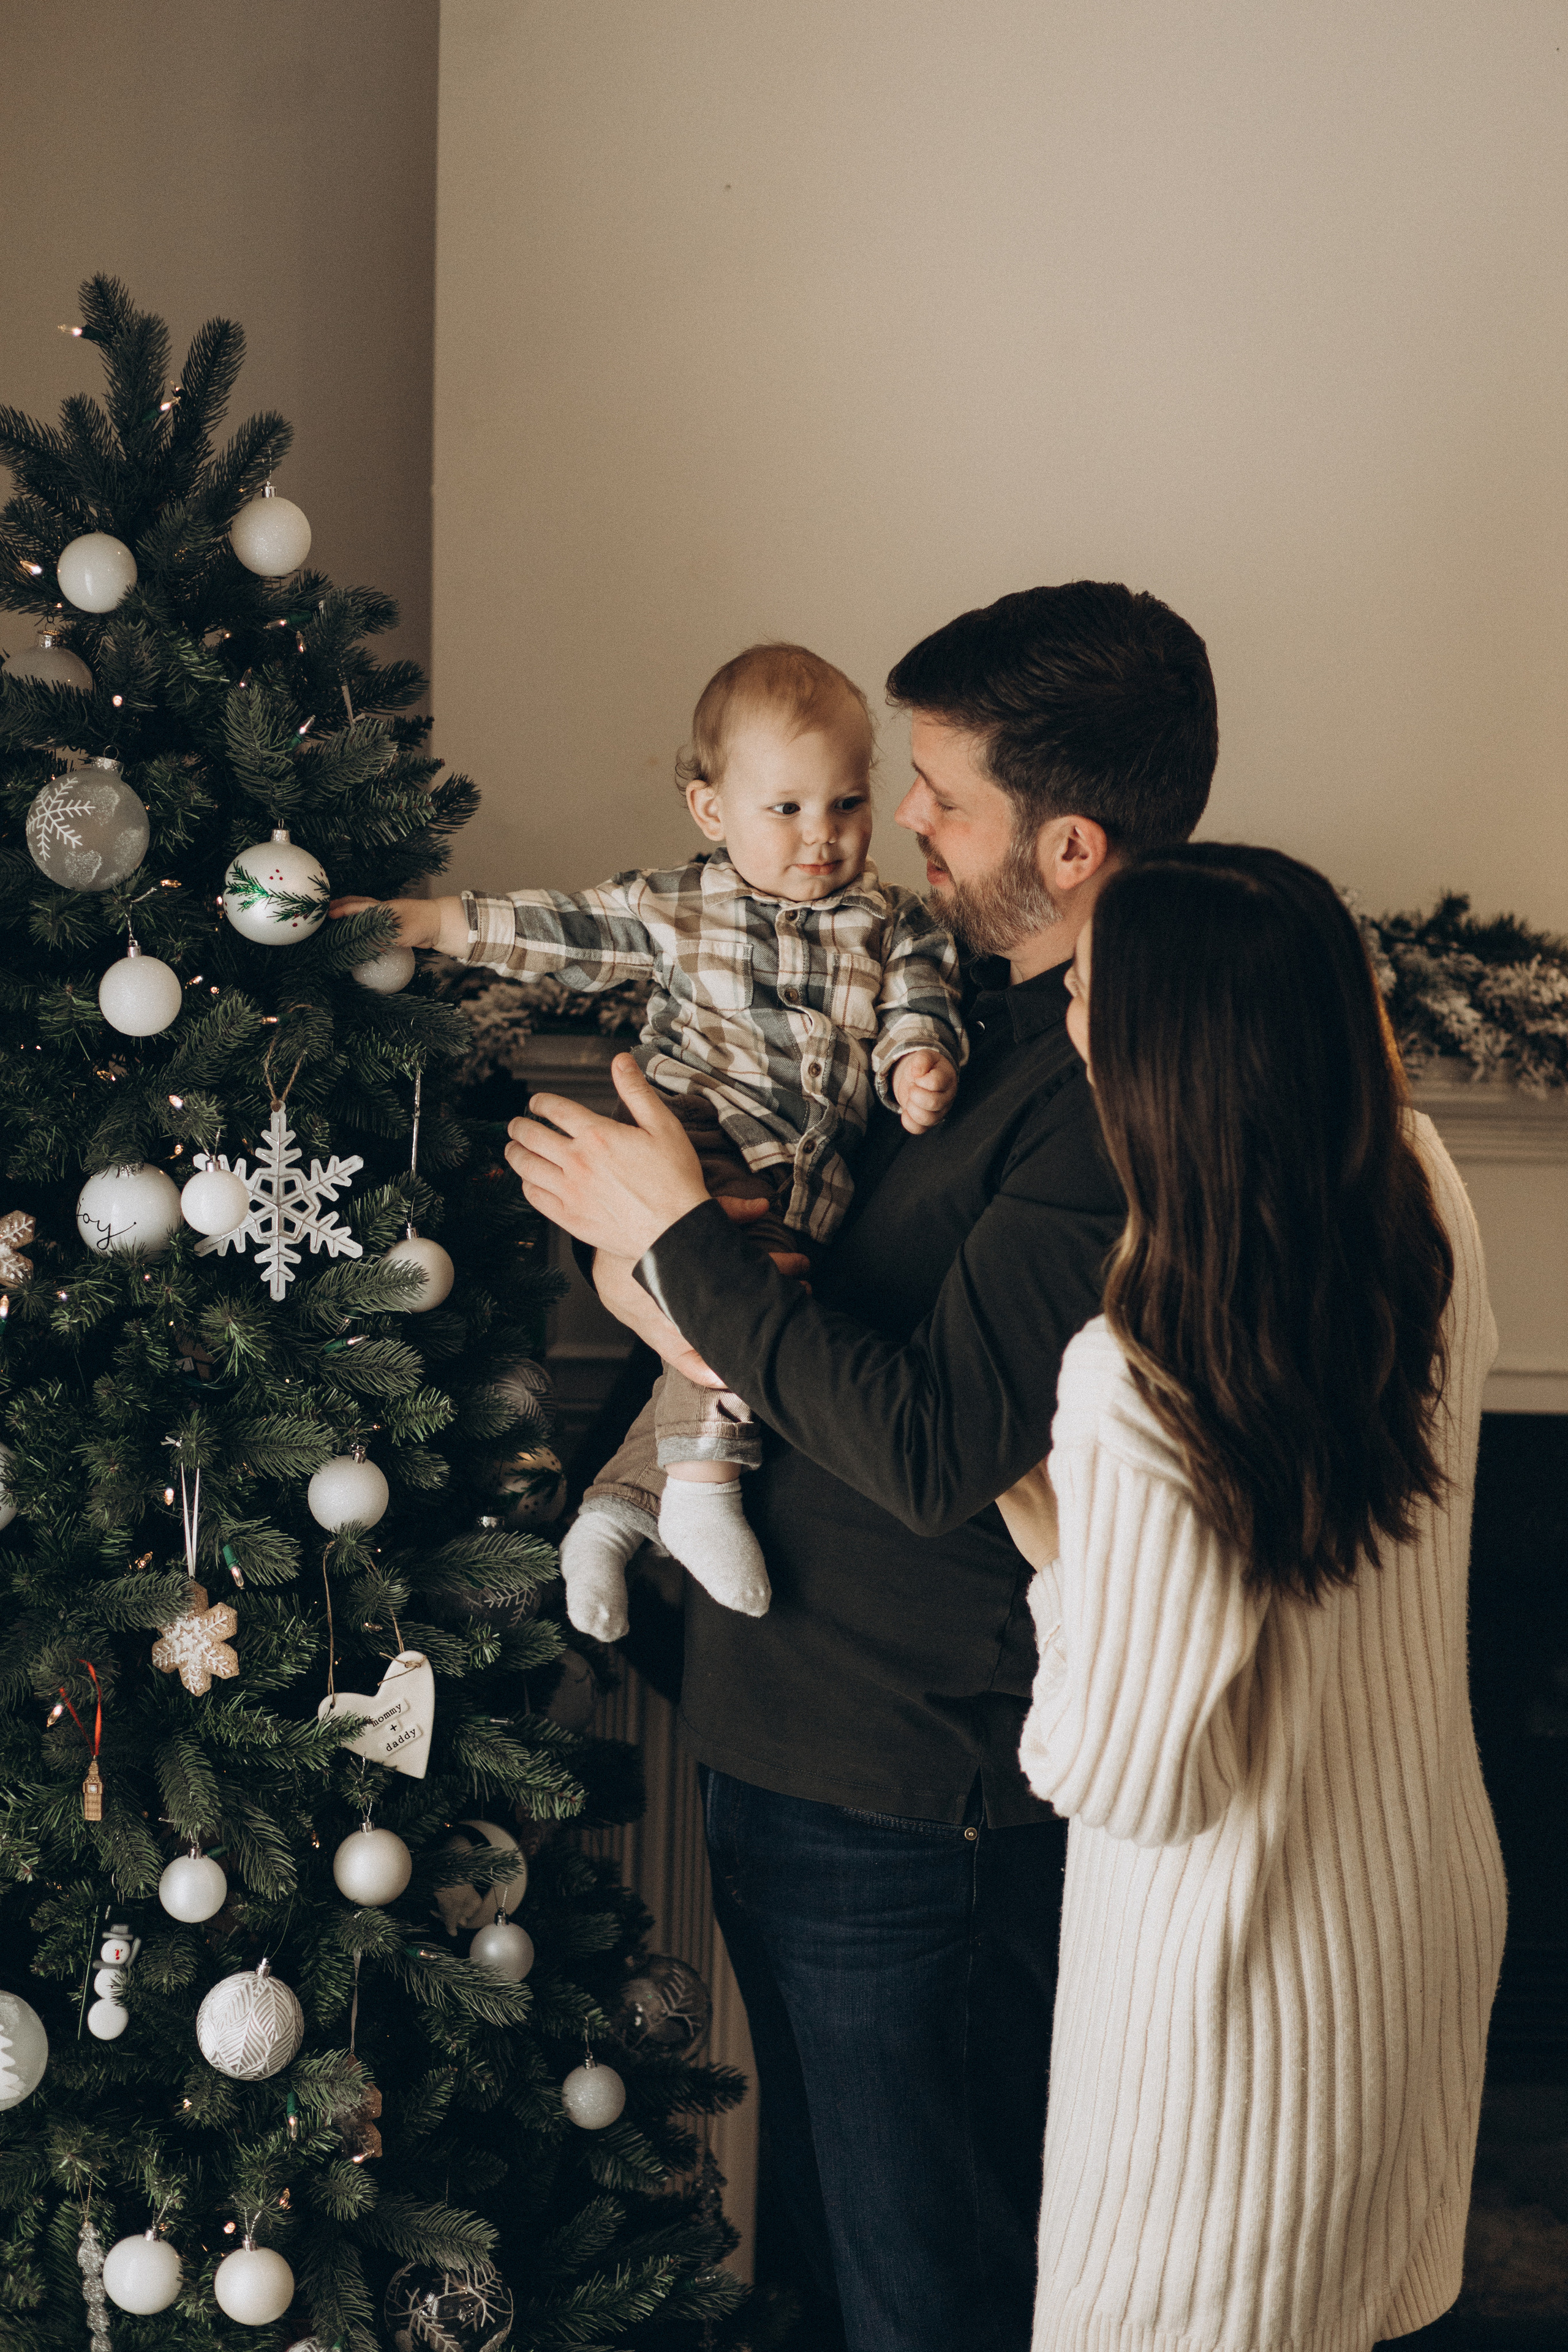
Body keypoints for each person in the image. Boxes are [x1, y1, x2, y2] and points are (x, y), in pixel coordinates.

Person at [505, 581, 1219, 2352]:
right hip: (795, 1748)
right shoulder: (967, 1022)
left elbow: (931, 1444)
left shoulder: (1116, 1095)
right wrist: (677, 1251)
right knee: (825, 2282)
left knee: (933, 2301)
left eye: (940, 795)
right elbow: (824, 1313)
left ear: (1066, 844)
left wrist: (673, 1237)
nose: (896, 823)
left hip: (916, 1808)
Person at [1020, 846, 1504, 2352]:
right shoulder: (1425, 1217)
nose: (1062, 1008)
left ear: (1159, 1052)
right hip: (1407, 1934)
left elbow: (1126, 1774)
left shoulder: (1132, 1374)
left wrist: (1055, 1557)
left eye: (1087, 985)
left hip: (1227, 2027)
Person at [329, 643, 966, 1637]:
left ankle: (615, 1512)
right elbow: (559, 929)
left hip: (808, 1179)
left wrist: (919, 1062)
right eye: (786, 809)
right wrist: (427, 922)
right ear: (712, 810)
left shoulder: (894, 921)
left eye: (846, 804)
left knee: (743, 1313)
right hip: (698, 1140)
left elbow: (923, 1003)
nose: (822, 837)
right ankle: (704, 1494)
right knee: (747, 1293)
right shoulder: (681, 908)